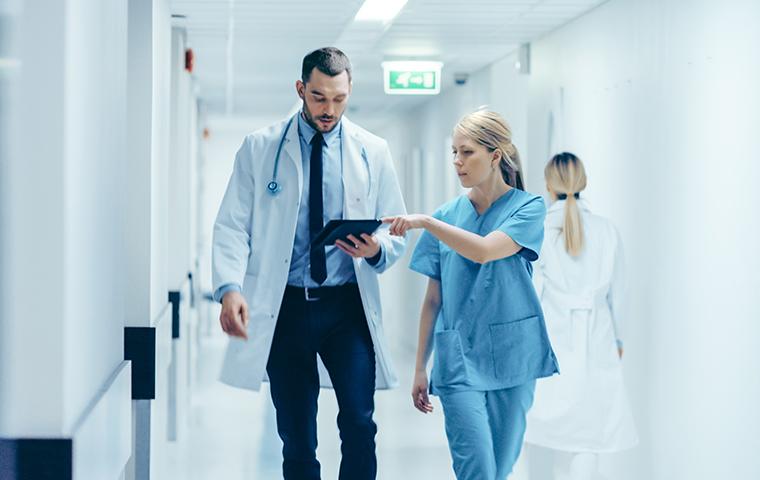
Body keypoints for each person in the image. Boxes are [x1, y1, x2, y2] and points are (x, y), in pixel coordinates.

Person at [211, 47, 407, 480]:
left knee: (359, 422)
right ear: (300, 89)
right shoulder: (260, 149)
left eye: (339, 99)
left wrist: (375, 250)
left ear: (350, 90)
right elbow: (230, 226)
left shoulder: (373, 151)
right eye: (319, 97)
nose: (329, 109)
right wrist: (229, 288)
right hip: (286, 309)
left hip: (346, 309)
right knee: (297, 436)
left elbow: (394, 226)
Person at [383, 110, 558, 480]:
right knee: (476, 470)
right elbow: (433, 300)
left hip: (514, 356)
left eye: (467, 152)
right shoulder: (448, 215)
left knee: (501, 467)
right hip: (459, 357)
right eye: (454, 152)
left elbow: (483, 250)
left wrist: (427, 223)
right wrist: (419, 366)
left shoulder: (527, 208)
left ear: (495, 156)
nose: (457, 162)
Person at [522, 152, 638, 480]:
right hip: (597, 340)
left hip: (550, 343)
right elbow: (620, 295)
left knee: (541, 430)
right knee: (589, 434)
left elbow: (530, 295)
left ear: (548, 185)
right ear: (583, 182)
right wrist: (617, 340)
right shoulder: (607, 231)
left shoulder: (537, 231)